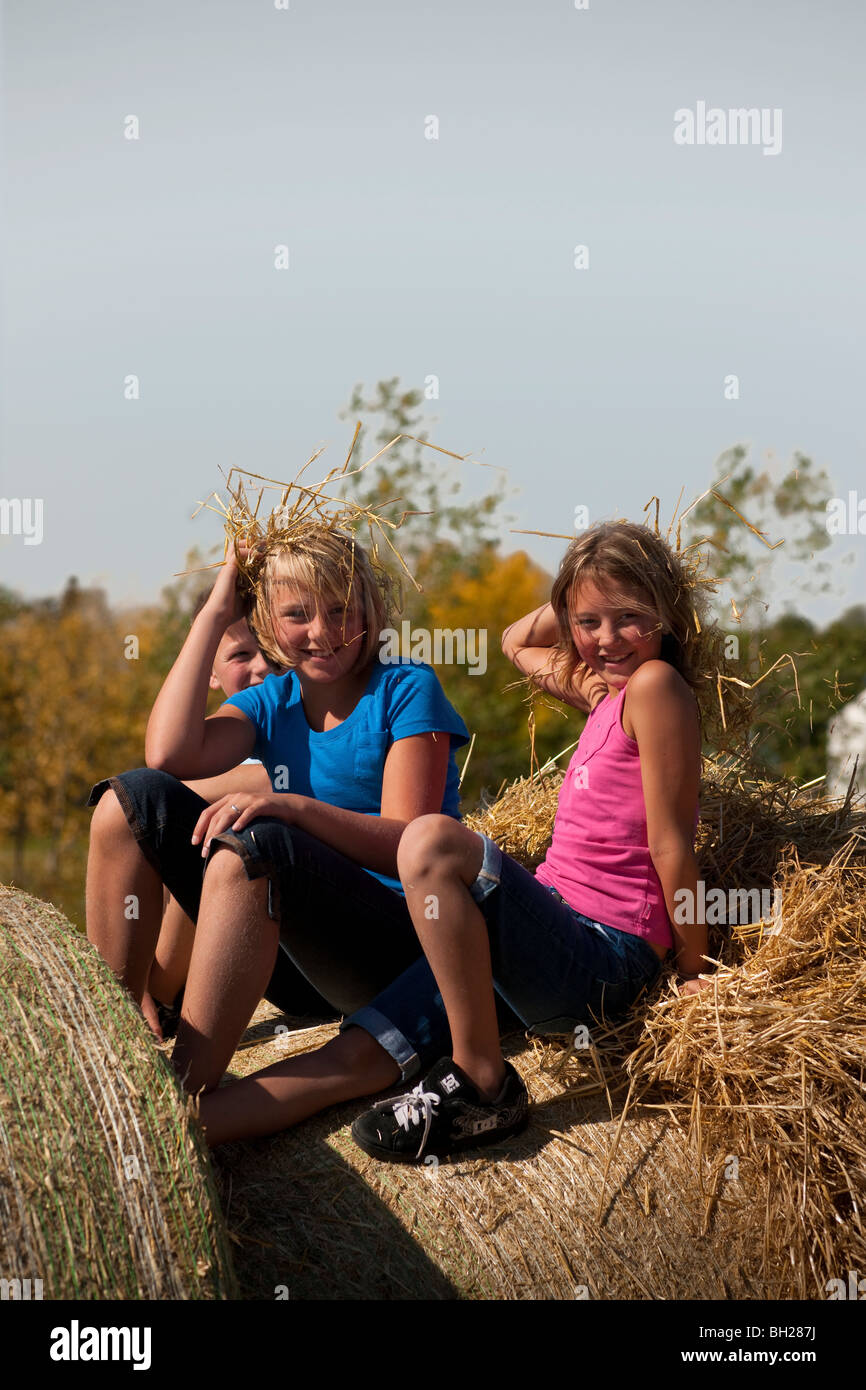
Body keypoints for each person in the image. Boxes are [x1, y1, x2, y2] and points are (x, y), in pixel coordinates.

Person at [347, 518, 713, 1163]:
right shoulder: (605, 692)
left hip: (607, 955)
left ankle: (482, 1085)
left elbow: (672, 847)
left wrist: (693, 973)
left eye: (629, 617)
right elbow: (517, 640)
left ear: (666, 611)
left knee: (432, 843)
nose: (605, 639)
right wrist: (584, 590)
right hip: (556, 928)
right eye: (586, 621)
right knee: (365, 1045)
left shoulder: (655, 689)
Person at [85, 528, 470, 1120]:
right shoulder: (274, 700)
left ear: (370, 606)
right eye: (297, 614)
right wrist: (215, 613)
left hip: (392, 942)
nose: (322, 631)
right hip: (291, 955)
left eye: (341, 609)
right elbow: (167, 756)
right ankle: (105, 1051)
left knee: (258, 844)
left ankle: (176, 1103)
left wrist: (293, 809)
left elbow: (410, 845)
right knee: (127, 802)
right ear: (266, 618)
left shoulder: (406, 688)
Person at [141, 596, 333, 1040]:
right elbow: (163, 773)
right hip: (238, 933)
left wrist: (168, 797)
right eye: (241, 654)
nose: (263, 667)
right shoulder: (219, 738)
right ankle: (148, 992)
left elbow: (280, 780)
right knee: (161, 817)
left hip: (314, 945)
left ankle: (162, 993)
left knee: (216, 830)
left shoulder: (312, 723)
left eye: (270, 650)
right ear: (208, 672)